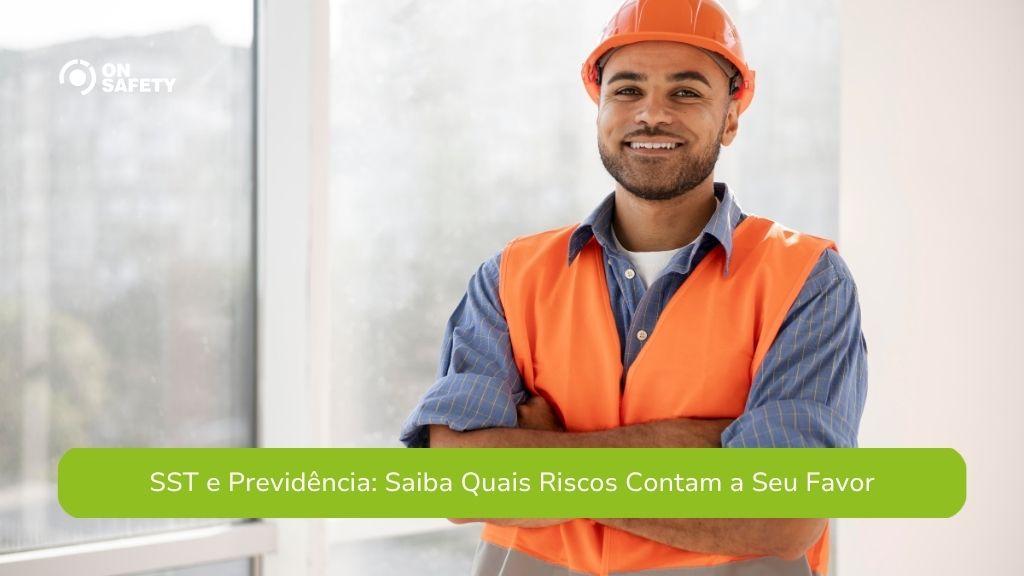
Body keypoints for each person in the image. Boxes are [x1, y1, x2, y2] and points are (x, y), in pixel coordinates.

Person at [399, 0, 867, 574]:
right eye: (626, 90)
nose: (652, 114)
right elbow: (452, 480)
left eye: (687, 92)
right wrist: (690, 453)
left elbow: (785, 515)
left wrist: (541, 463)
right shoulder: (511, 277)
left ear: (731, 117)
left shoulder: (806, 280)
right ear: (598, 107)